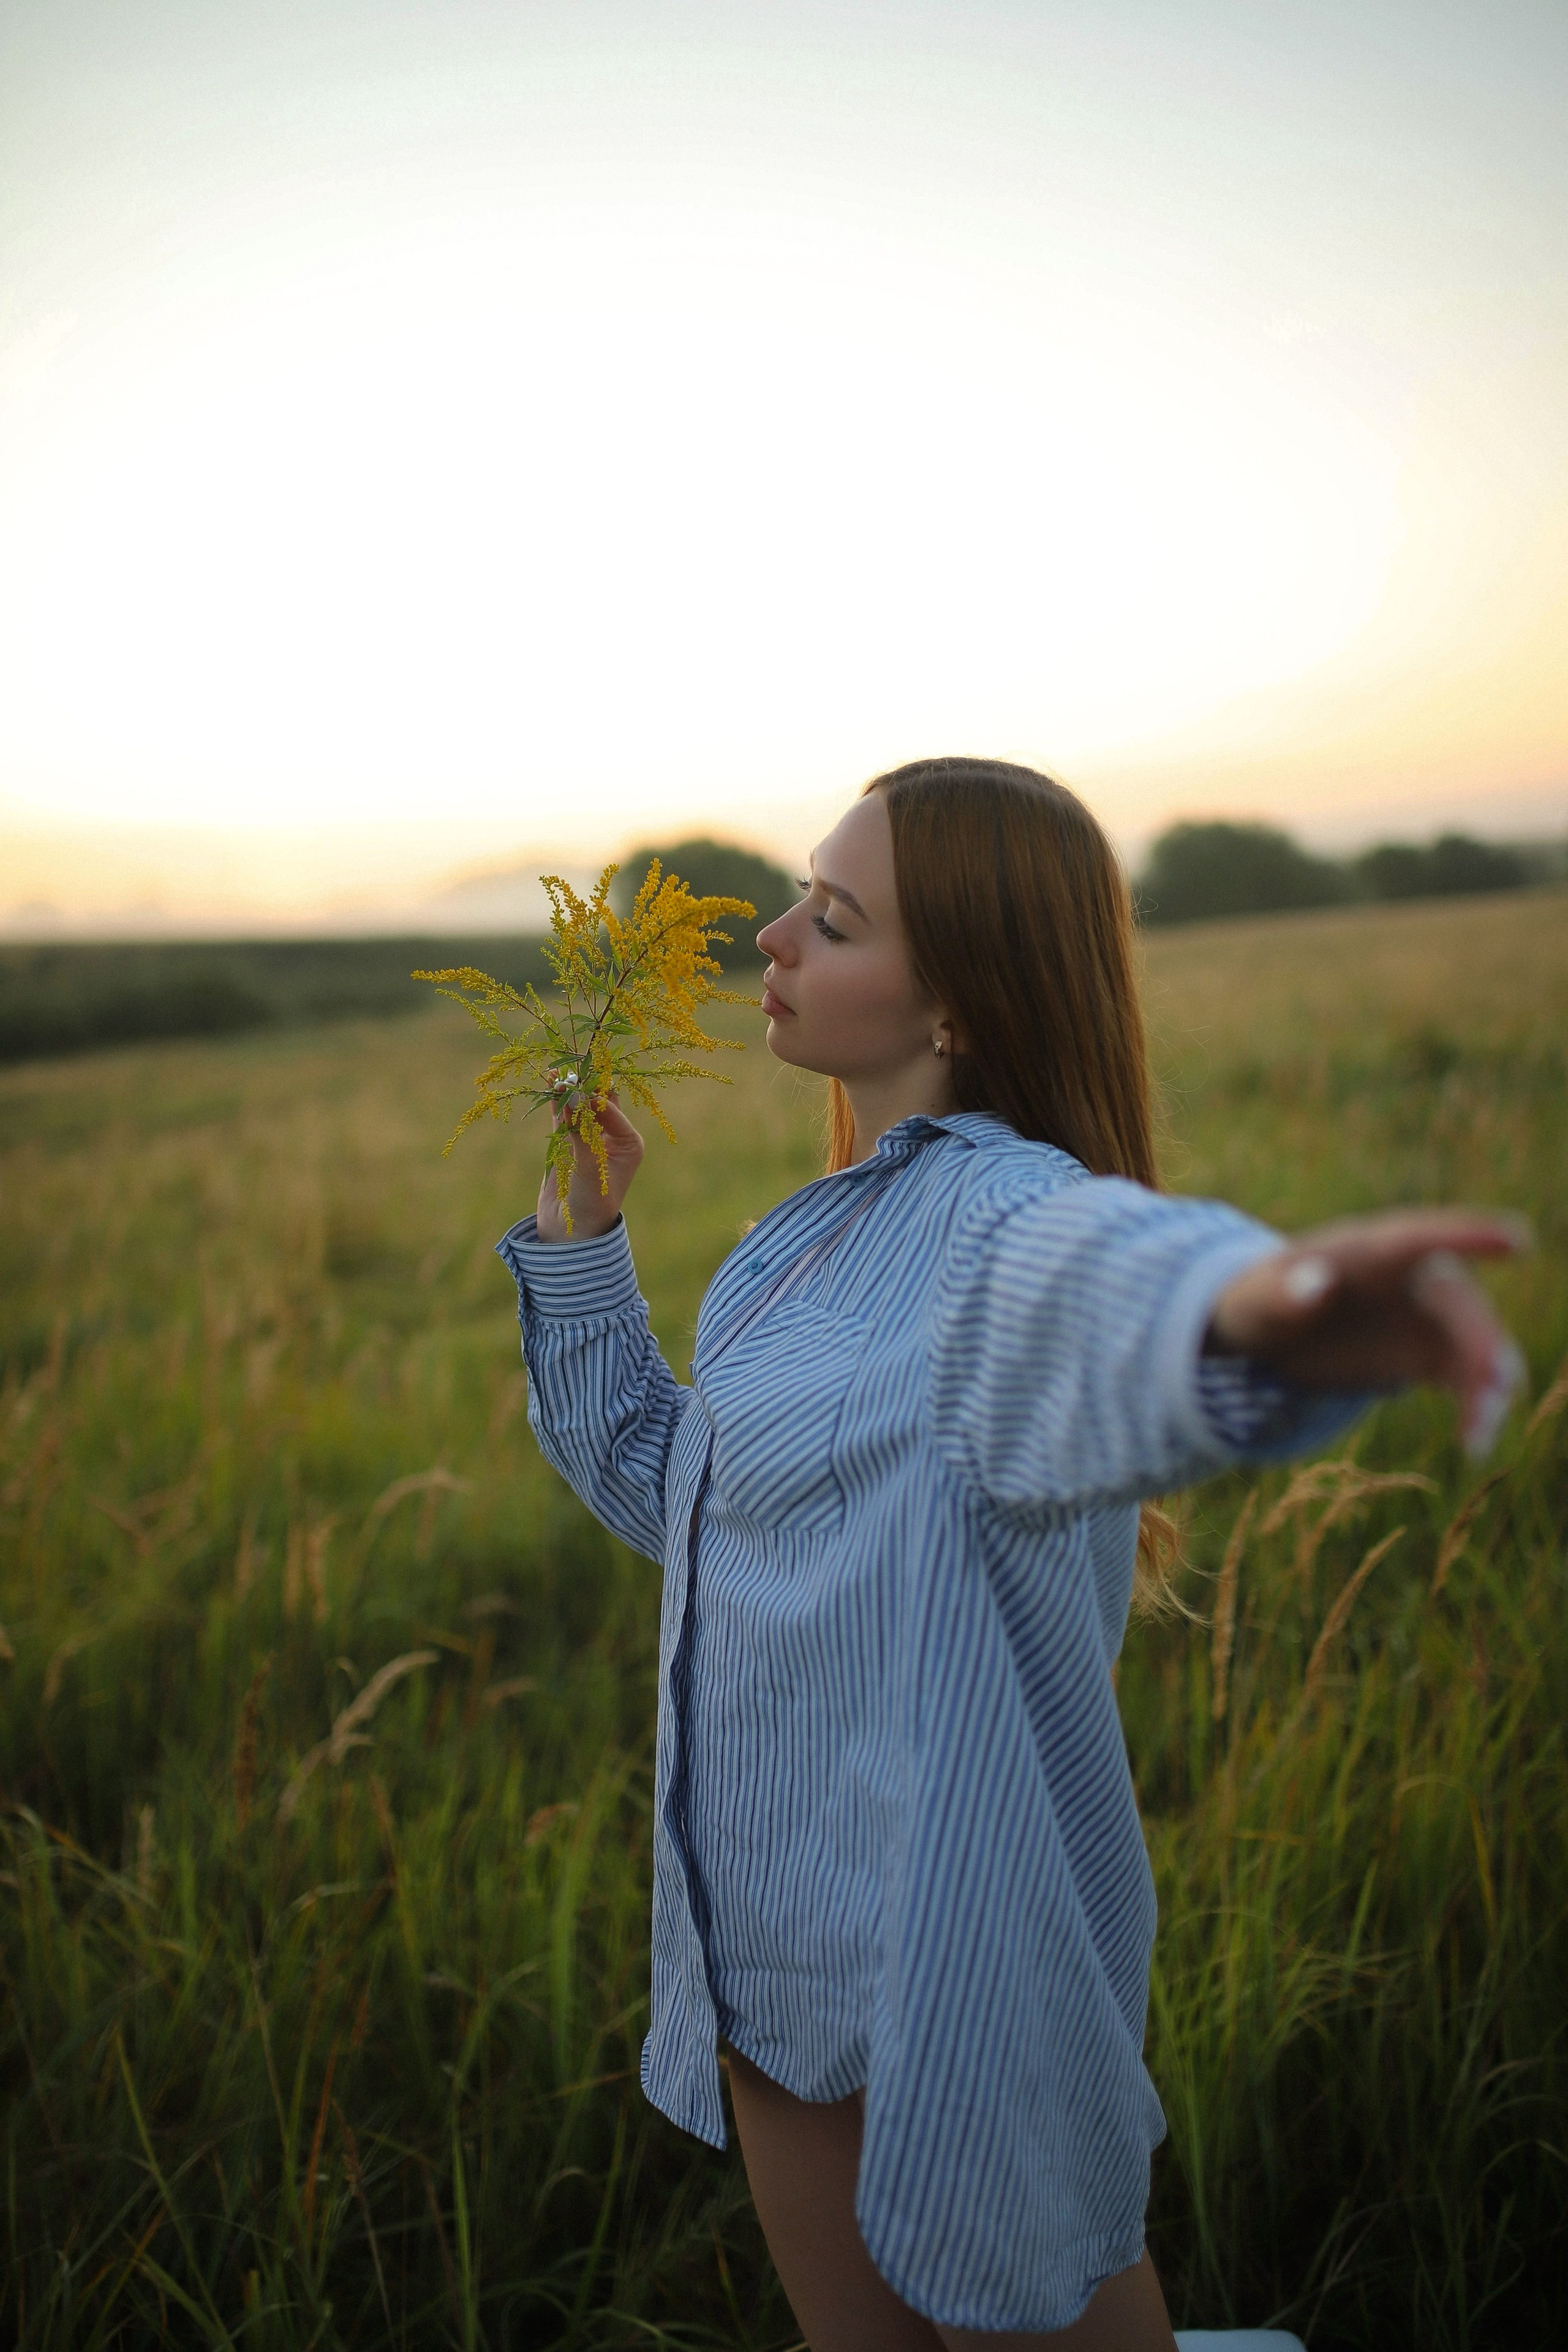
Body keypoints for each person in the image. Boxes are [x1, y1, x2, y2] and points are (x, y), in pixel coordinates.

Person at [496, 758, 1525, 2351]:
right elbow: (691, 1501)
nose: (769, 937)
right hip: (770, 1954)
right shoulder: (810, 1238)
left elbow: (1096, 1274)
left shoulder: (1006, 1216)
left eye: (830, 922)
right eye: (797, 899)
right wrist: (580, 1261)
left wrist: (1254, 1311)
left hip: (954, 1975)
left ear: (961, 1002)